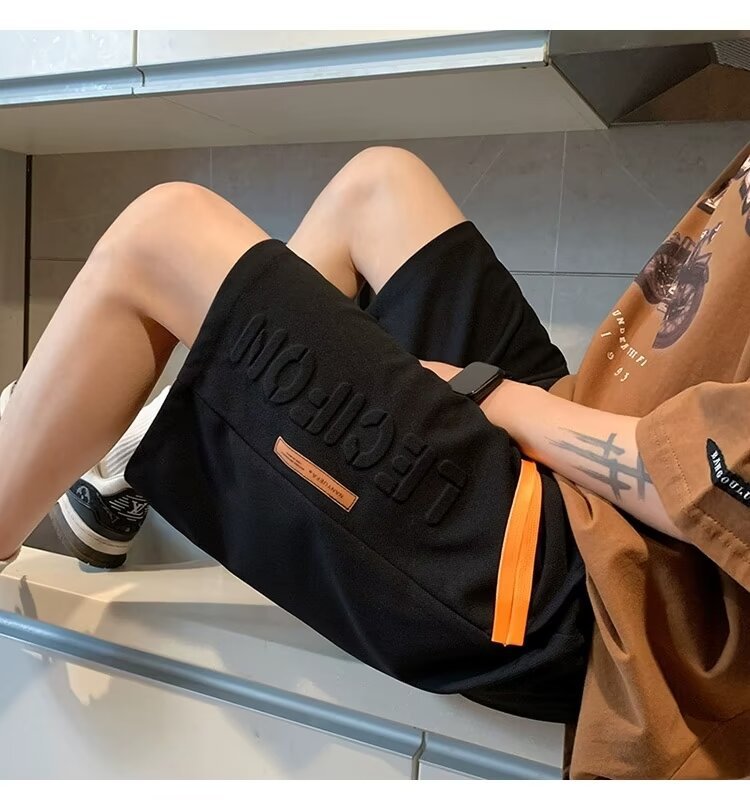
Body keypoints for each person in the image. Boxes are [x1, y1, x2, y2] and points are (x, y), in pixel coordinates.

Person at [0, 143, 747, 780]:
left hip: (624, 578)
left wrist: (503, 402)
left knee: (162, 235)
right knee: (380, 185)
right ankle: (125, 458)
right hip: (598, 453)